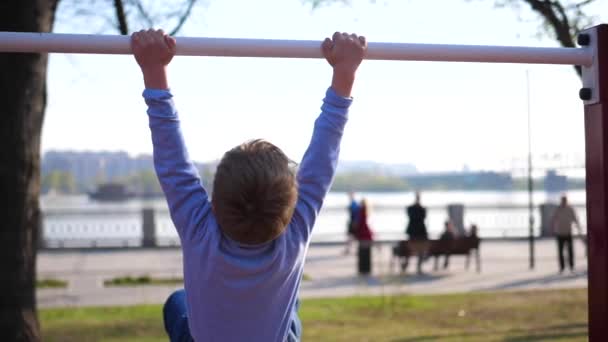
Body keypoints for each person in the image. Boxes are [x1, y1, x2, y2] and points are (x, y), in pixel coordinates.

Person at [131, 29, 367, 341]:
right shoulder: (294, 234)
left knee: (177, 302)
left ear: (213, 204)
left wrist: (153, 70)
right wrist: (345, 73)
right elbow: (324, 155)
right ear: (291, 204)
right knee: (289, 304)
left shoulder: (200, 230)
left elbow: (173, 163)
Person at [550, 194, 583, 274]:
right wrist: (552, 230)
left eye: (565, 200)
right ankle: (562, 268)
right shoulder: (557, 209)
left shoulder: (570, 209)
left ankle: (572, 267)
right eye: (563, 200)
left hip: (568, 233)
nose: (564, 201)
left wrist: (579, 229)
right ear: (561, 201)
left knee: (570, 251)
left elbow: (575, 219)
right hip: (560, 233)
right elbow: (553, 220)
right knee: (560, 251)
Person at [406, 191, 429, 274]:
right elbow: (424, 217)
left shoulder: (410, 209)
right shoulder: (422, 209)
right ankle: (418, 267)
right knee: (420, 250)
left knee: (412, 248)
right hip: (420, 233)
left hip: (414, 234)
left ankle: (407, 264)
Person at [355, 198, 374, 275]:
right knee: (366, 252)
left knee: (362, 252)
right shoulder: (366, 210)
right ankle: (366, 269)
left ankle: (363, 269)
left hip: (363, 233)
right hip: (366, 233)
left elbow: (358, 223)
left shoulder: (361, 210)